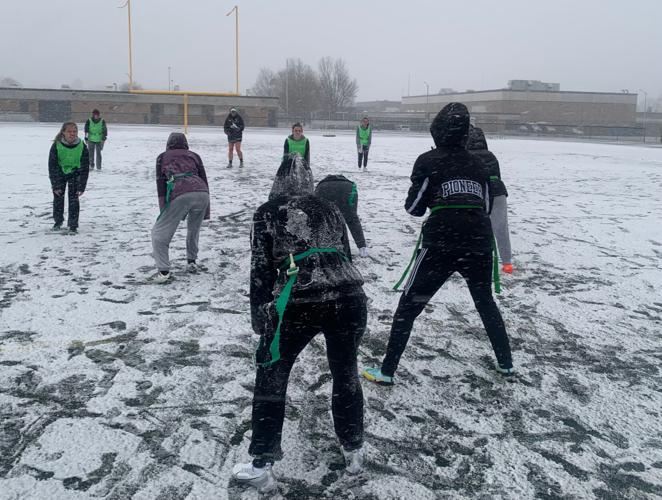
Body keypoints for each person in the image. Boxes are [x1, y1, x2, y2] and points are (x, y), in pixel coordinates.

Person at [232, 155, 367, 491]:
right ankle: (353, 449)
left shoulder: (267, 212)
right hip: (349, 297)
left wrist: (260, 318)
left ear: (277, 182)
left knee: (271, 375)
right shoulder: (330, 208)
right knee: (346, 372)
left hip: (298, 300)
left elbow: (260, 269)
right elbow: (344, 255)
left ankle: (262, 460)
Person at [361, 103, 514, 386]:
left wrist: (434, 195)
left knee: (409, 306)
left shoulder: (428, 161)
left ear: (437, 131)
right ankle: (506, 363)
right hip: (479, 242)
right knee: (485, 303)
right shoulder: (480, 164)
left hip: (441, 241)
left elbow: (414, 208)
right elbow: (488, 205)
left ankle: (387, 371)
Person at [150, 133, 210, 283]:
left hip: (180, 192)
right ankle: (191, 262)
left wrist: (163, 209)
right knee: (193, 230)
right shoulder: (194, 155)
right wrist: (207, 211)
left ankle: (163, 271)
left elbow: (161, 185)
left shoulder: (162, 157)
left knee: (159, 233)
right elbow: (204, 179)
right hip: (202, 193)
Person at [466, 125, 513, 273]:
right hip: (498, 192)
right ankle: (507, 263)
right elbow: (497, 176)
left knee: (473, 227)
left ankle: (471, 258)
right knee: (501, 229)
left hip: (479, 193)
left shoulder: (466, 156)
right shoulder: (491, 155)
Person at [48, 122, 90, 234]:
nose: (72, 134)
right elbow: (52, 166)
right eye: (69, 131)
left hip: (75, 173)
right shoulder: (56, 145)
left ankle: (73, 226)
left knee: (74, 200)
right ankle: (58, 222)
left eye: (74, 131)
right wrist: (55, 184)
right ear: (63, 132)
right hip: (60, 173)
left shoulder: (82, 146)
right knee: (58, 199)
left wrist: (82, 186)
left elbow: (85, 167)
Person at [315, 174, 368, 257]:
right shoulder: (349, 183)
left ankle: (323, 244)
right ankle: (362, 248)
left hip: (323, 190)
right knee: (352, 219)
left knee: (323, 217)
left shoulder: (321, 185)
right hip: (349, 189)